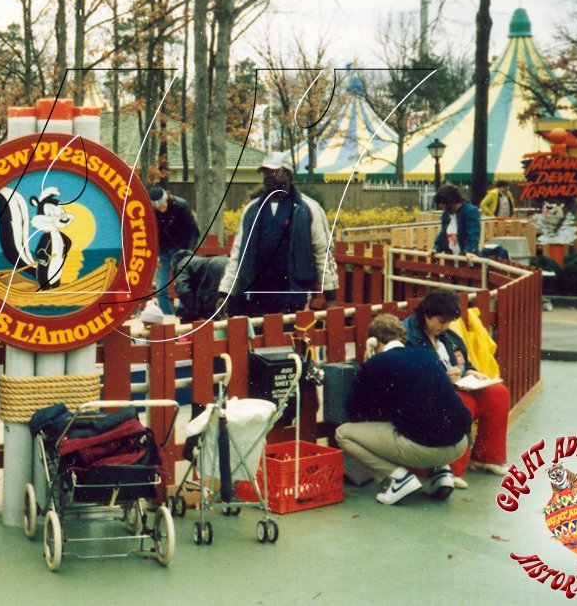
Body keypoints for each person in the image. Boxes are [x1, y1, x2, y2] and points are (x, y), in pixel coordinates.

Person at [336, 314, 472, 505]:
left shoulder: (378, 363)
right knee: (428, 418)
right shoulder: (427, 355)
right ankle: (441, 473)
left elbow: (355, 411)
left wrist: (367, 368)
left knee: (343, 434)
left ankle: (399, 479)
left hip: (422, 450)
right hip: (459, 443)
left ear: (374, 342)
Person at [402, 288, 511, 483]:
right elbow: (407, 377)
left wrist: (471, 372)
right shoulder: (407, 336)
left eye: (448, 322)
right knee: (461, 402)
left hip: (454, 388)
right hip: (424, 399)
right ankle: (451, 469)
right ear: (427, 314)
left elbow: (463, 363)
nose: (445, 326)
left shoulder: (447, 335)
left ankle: (485, 457)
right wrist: (442, 378)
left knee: (498, 394)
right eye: (441, 321)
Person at [217, 152, 337, 317]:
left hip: (294, 295)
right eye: (265, 173)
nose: (267, 177)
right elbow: (238, 254)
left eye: (273, 172)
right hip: (257, 297)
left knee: (289, 334)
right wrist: (225, 293)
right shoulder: (251, 210)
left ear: (287, 173)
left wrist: (330, 296)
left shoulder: (309, 209)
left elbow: (323, 254)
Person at [148, 186, 199, 315]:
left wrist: (189, 252)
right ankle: (168, 317)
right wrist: (154, 255)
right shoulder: (151, 211)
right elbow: (149, 234)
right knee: (161, 287)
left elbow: (194, 231)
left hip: (181, 249)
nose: (161, 209)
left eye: (162, 206)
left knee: (183, 284)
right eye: (157, 208)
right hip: (164, 251)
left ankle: (183, 313)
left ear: (167, 199)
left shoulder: (181, 206)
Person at [172, 249, 228, 322]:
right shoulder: (198, 263)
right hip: (228, 264)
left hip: (216, 271)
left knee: (214, 313)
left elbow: (183, 291)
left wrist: (192, 311)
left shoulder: (182, 264)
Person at [433, 184, 481, 256]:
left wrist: (469, 250)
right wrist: (436, 247)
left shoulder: (470, 211)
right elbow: (443, 233)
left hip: (466, 257)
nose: (442, 207)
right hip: (451, 257)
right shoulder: (446, 214)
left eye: (443, 204)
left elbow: (472, 234)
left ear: (451, 201)